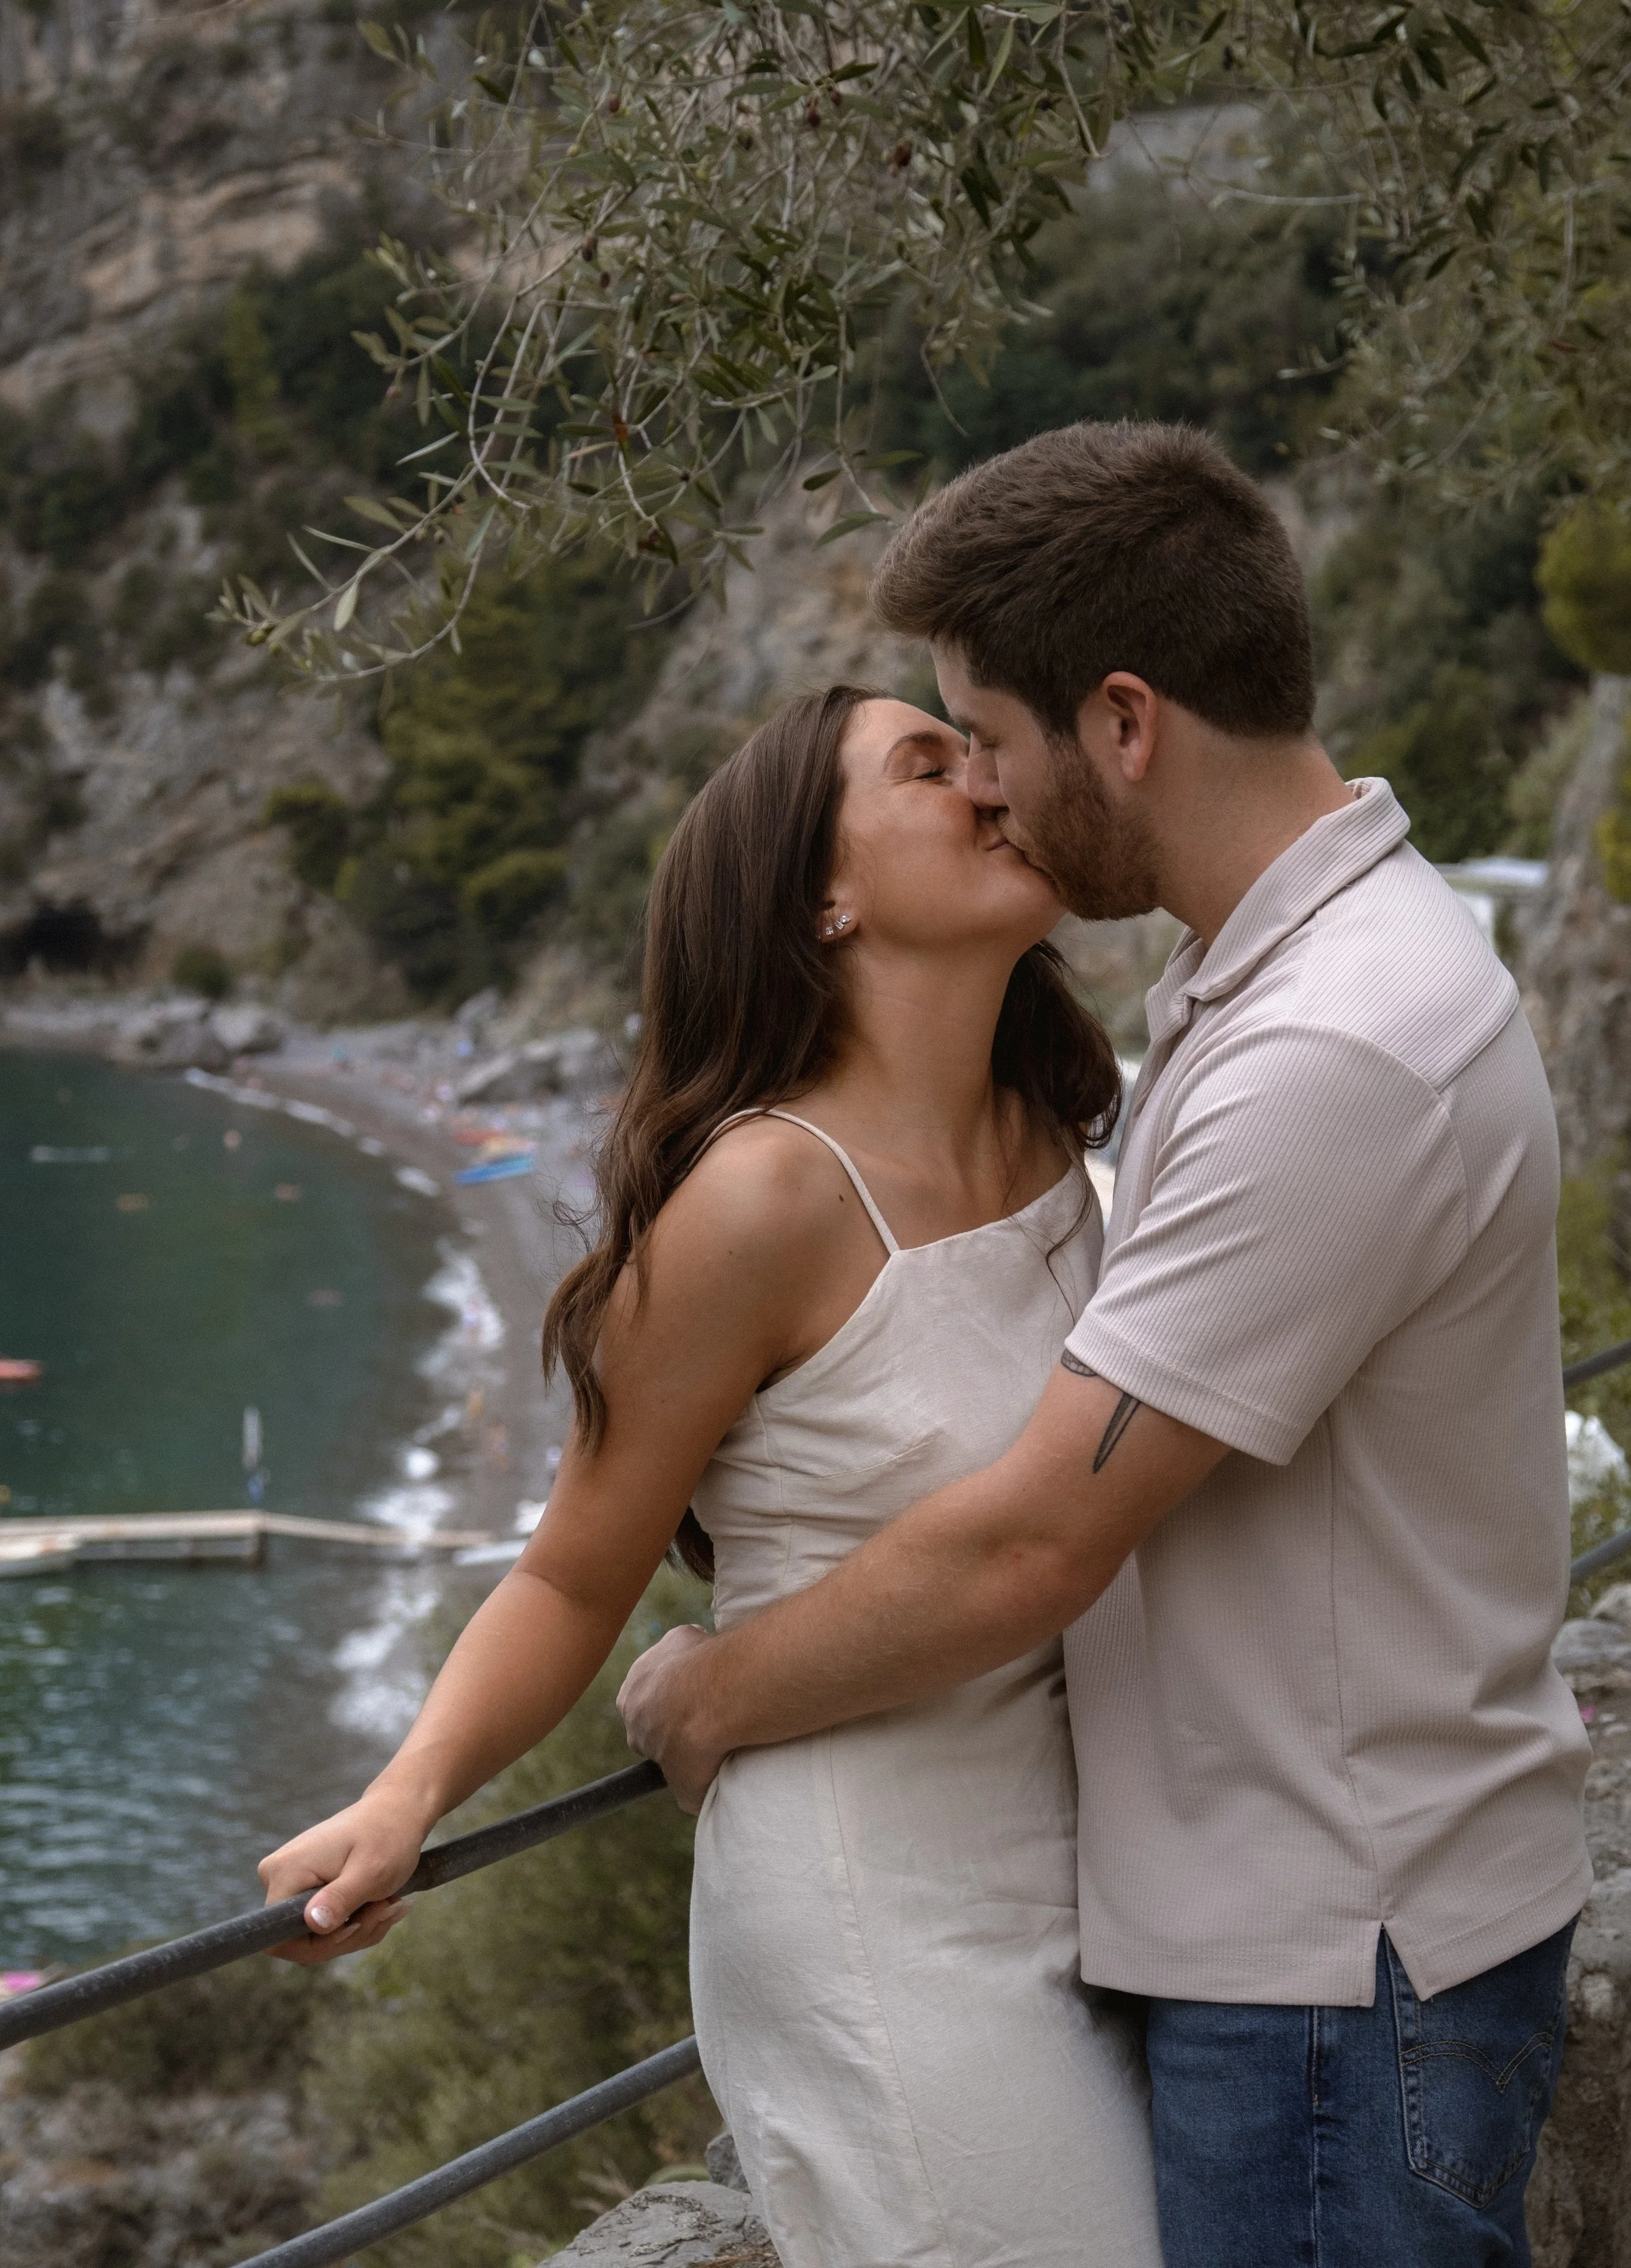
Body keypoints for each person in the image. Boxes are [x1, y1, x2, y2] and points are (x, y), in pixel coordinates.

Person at [619, 420, 1594, 2268]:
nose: (981, 784)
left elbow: (1034, 1540)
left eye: (984, 732)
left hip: (1333, 1963)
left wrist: (715, 1689)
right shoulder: (1296, 976)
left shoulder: (1326, 1049)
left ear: (1125, 723)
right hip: (1336, 1927)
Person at [256, 682, 1165, 2268]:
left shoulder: (1059, 1137)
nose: (990, 785)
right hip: (878, 1910)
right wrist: (403, 1799)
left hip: (1096, 1875)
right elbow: (569, 1574)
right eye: (926, 765)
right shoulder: (758, 1199)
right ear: (823, 894)